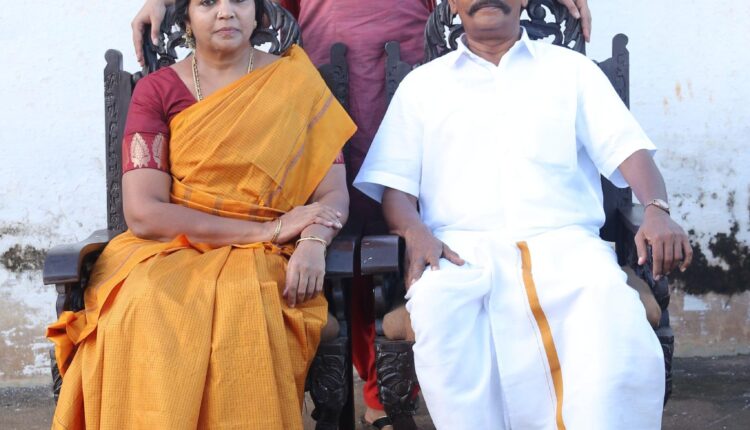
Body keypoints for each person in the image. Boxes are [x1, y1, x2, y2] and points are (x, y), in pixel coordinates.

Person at [131, 1, 593, 428]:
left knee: (398, 210)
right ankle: (371, 389)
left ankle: (389, 396)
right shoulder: (269, 77)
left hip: (403, 62)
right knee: (349, 225)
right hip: (327, 62)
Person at [353, 0, 693, 428]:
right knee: (440, 312)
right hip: (459, 255)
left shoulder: (572, 71)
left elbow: (630, 152)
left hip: (569, 251)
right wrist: (413, 230)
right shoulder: (422, 86)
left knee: (609, 319)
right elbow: (395, 188)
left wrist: (657, 210)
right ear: (451, 4)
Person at [47, 0, 355, 428]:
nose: (225, 12)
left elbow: (333, 193)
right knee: (141, 301)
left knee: (246, 305)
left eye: (239, 0)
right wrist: (266, 228)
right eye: (207, 2)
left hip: (271, 254)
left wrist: (314, 241)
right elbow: (144, 213)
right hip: (170, 246)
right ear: (186, 18)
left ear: (259, 12)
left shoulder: (297, 83)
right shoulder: (157, 91)